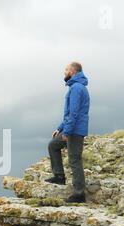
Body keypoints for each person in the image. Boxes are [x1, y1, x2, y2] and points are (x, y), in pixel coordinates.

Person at [46, 62, 90, 203]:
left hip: (75, 130)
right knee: (53, 145)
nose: (64, 72)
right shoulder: (74, 87)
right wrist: (60, 128)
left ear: (73, 71)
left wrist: (67, 131)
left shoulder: (77, 88)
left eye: (66, 70)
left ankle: (79, 194)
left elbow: (74, 113)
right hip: (70, 128)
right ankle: (59, 176)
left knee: (74, 160)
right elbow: (69, 114)